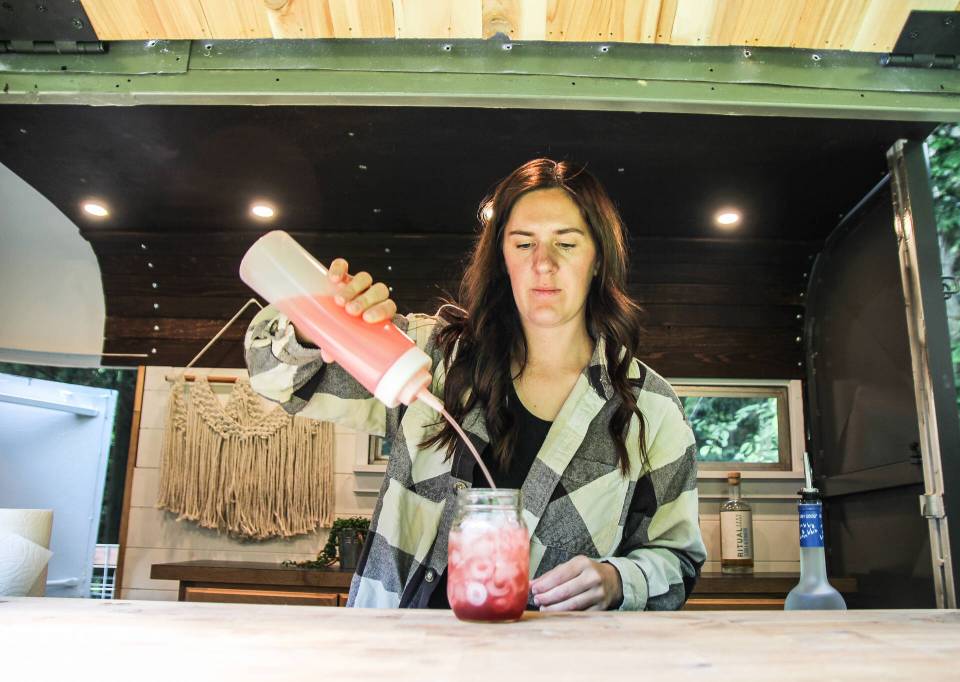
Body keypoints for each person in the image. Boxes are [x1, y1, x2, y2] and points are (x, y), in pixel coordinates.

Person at [244, 158, 706, 611]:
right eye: (524, 244)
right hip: (399, 657)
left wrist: (617, 580)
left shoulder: (650, 408)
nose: (543, 264)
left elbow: (679, 558)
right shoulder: (428, 357)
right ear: (502, 257)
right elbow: (276, 376)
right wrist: (318, 324)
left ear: (598, 257)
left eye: (566, 244)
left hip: (551, 662)